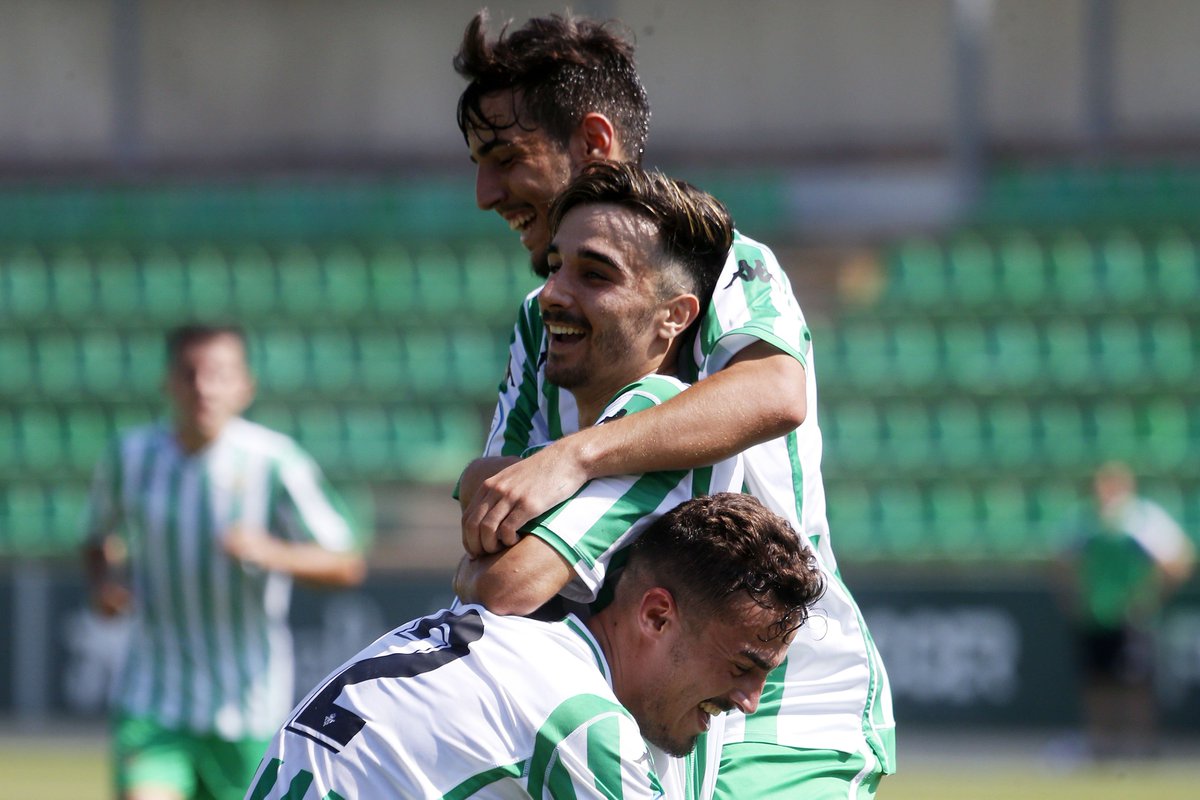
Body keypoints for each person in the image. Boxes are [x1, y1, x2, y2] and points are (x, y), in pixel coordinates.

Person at [453, 11, 894, 798]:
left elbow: (773, 392)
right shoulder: (538, 316)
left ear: (593, 143)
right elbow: (496, 493)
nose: (485, 193)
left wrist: (576, 455)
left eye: (504, 157)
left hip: (781, 702)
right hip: (644, 701)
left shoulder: (725, 267)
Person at [247, 493, 826, 799]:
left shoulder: (505, 639)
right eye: (743, 666)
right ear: (656, 615)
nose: (751, 700)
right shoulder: (577, 718)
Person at [82, 323, 367, 800]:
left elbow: (345, 563)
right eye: (189, 374)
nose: (203, 388)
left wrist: (271, 551)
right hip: (154, 697)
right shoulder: (129, 458)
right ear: (167, 383)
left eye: (218, 374)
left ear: (244, 386)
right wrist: (103, 584)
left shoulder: (275, 461)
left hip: (248, 706)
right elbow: (96, 536)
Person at [1056, 461, 1195, 760]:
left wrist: (1151, 595)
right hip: (1095, 614)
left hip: (1130, 616)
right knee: (1097, 681)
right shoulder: (1085, 520)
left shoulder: (1142, 519)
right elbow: (1064, 561)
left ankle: (1141, 747)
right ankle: (1101, 747)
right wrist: (1073, 596)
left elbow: (1179, 558)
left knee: (1135, 682)